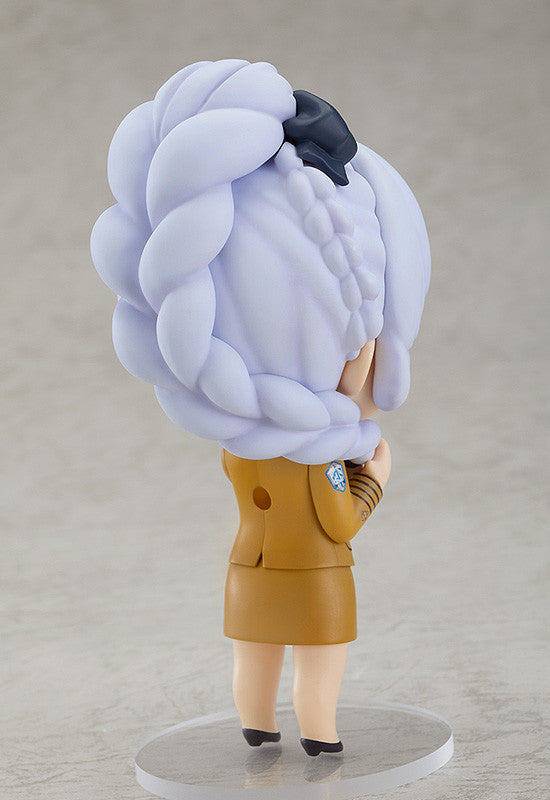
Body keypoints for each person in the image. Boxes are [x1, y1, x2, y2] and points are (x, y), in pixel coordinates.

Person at [91, 58, 430, 756]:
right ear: (357, 350)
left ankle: (257, 724)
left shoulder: (240, 445)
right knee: (318, 665)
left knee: (255, 660)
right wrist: (374, 480)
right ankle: (320, 737)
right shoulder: (320, 459)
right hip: (313, 580)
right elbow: (337, 521)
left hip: (246, 572)